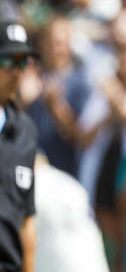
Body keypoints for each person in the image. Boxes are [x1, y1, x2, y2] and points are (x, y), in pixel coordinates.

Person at [0, 21, 38, 272]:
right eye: (8, 61)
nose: (17, 71)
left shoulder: (25, 131)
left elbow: (26, 219)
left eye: (23, 61)